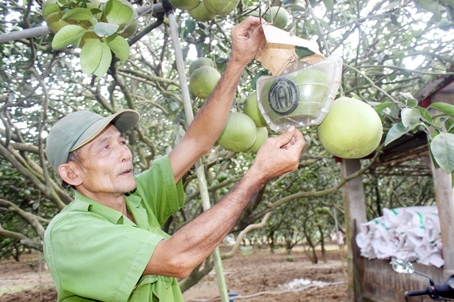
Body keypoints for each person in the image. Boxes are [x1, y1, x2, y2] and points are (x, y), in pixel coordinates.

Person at [44, 16, 305, 302]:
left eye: (121, 141)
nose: (124, 152)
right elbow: (176, 259)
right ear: (71, 174)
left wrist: (238, 61)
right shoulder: (70, 232)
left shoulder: (136, 198)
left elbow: (197, 141)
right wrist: (256, 175)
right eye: (104, 148)